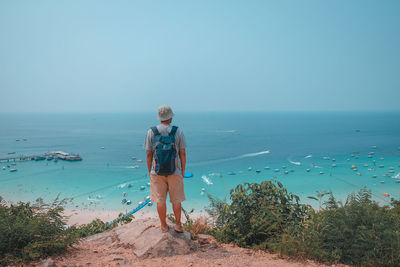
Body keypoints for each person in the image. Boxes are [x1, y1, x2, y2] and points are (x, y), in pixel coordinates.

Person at [144, 105, 187, 233]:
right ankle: (178, 225)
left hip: (156, 172)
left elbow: (148, 154)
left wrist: (150, 171)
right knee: (176, 200)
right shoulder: (178, 131)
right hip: (175, 171)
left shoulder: (151, 132)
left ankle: (163, 226)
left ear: (160, 117)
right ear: (170, 117)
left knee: (160, 200)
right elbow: (182, 153)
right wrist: (183, 170)